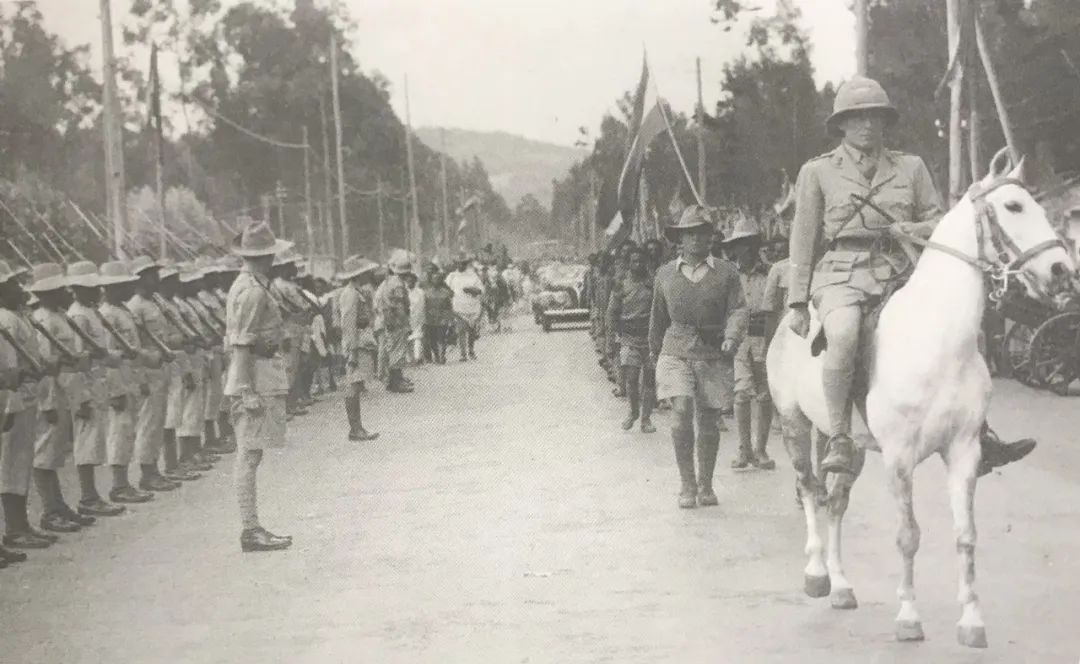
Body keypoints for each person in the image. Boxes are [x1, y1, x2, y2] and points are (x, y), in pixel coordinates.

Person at [787, 75, 1034, 477]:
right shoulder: (817, 172)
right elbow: (803, 239)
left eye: (876, 117)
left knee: (957, 329)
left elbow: (938, 221)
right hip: (842, 273)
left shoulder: (910, 166)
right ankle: (839, 437)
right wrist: (797, 302)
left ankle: (979, 431)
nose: (868, 124)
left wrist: (911, 229)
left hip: (902, 268)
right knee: (844, 334)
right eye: (858, 117)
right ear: (841, 124)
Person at [649, 206, 747, 509]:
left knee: (708, 419)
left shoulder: (726, 272)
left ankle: (705, 485)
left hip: (713, 352)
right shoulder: (665, 274)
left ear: (711, 238)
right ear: (680, 238)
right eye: (690, 234)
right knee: (681, 410)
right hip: (675, 350)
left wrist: (731, 336)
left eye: (703, 233)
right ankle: (687, 484)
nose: (696, 239)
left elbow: (738, 309)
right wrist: (653, 352)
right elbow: (658, 317)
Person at [224, 218, 293, 552]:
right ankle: (250, 530)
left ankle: (252, 528)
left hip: (259, 373)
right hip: (254, 377)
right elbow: (241, 342)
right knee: (249, 455)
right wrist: (246, 391)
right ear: (267, 256)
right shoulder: (251, 291)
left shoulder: (252, 285)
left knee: (251, 454)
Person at [66, 261, 127, 518]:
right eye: (89, 287)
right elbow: (78, 358)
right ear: (77, 289)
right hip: (85, 383)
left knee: (94, 441)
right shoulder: (78, 315)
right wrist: (81, 396)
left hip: (97, 380)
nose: (96, 291)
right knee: (86, 443)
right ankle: (88, 497)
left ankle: (92, 495)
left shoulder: (90, 311)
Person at [0, 260, 53, 555]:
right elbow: (9, 370)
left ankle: (19, 526)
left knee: (20, 462)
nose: (18, 288)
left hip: (23, 396)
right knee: (11, 465)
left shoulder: (15, 316)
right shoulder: (5, 319)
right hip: (12, 399)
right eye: (10, 285)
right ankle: (15, 528)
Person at [127, 257, 194, 487]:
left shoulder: (155, 303)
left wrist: (178, 341)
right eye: (151, 275)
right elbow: (135, 347)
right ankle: (147, 473)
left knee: (159, 422)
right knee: (149, 424)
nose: (156, 279)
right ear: (140, 279)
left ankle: (156, 469)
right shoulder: (135, 306)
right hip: (147, 371)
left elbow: (162, 337)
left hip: (161, 369)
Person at [96, 260, 156, 504]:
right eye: (123, 285)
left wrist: (140, 379)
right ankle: (119, 484)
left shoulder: (122, 311)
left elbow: (134, 349)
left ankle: (125, 483)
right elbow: (107, 357)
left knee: (128, 430)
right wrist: (115, 390)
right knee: (119, 431)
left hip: (130, 376)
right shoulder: (107, 314)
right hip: (118, 379)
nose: (129, 288)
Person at [721, 216, 777, 471]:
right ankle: (744, 449)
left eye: (750, 243)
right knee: (742, 393)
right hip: (740, 338)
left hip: (765, 336)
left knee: (765, 395)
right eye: (741, 243)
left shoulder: (770, 272)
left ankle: (761, 449)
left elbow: (777, 305)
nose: (745, 248)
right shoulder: (729, 275)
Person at [606, 245, 656, 433]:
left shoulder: (653, 283)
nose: (638, 264)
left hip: (650, 339)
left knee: (650, 381)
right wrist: (611, 339)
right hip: (628, 337)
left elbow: (661, 310)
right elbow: (612, 313)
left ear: (646, 262)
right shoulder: (621, 284)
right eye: (634, 261)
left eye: (641, 261)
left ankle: (646, 419)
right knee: (632, 379)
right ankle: (633, 412)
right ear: (628, 263)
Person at [336, 255, 380, 441]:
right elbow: (348, 324)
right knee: (353, 386)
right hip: (356, 343)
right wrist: (352, 352)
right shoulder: (351, 294)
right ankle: (355, 429)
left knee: (356, 384)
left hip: (361, 341)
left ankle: (357, 427)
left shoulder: (357, 292)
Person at [375, 250, 415, 393]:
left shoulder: (387, 282)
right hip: (396, 321)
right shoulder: (398, 285)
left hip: (388, 320)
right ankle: (396, 382)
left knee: (391, 351)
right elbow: (399, 307)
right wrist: (406, 324)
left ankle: (392, 381)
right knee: (398, 352)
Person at [444, 253, 484, 362]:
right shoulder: (452, 276)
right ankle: (463, 353)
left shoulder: (473, 276)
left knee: (471, 331)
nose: (461, 265)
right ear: (456, 264)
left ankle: (471, 350)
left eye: (463, 263)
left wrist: (472, 290)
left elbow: (481, 290)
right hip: (458, 308)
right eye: (459, 263)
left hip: (472, 307)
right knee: (461, 330)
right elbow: (446, 290)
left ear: (466, 264)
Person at [424, 270, 454, 364]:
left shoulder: (445, 292)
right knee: (432, 339)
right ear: (431, 280)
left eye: (438, 279)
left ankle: (442, 356)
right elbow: (424, 307)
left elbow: (449, 307)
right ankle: (436, 355)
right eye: (434, 279)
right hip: (431, 319)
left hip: (442, 318)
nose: (436, 281)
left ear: (441, 280)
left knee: (441, 338)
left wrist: (450, 319)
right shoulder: (427, 292)